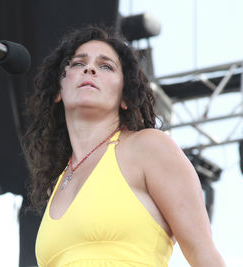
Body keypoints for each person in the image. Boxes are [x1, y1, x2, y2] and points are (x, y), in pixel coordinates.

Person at [23, 25, 225, 267]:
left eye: (106, 66)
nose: (89, 69)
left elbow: (203, 252)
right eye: (78, 64)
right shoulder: (58, 183)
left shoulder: (148, 147)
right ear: (58, 90)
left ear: (126, 97)